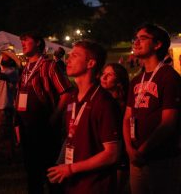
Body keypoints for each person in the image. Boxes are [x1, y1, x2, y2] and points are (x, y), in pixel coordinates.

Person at [47, 40, 121, 194]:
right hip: (74, 183)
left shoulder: (103, 102)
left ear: (90, 63)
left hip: (95, 185)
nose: (68, 60)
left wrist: (71, 169)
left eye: (75, 55)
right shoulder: (73, 97)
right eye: (69, 55)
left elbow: (112, 153)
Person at [123, 24, 181, 194]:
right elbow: (127, 117)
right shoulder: (136, 80)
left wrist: (143, 150)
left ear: (157, 44)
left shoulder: (169, 77)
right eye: (136, 38)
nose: (136, 42)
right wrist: (129, 150)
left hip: (162, 160)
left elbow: (169, 122)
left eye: (143, 38)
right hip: (136, 159)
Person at [16, 32, 73, 194]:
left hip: (44, 129)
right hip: (27, 129)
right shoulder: (26, 68)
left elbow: (66, 93)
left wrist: (53, 118)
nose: (23, 42)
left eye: (26, 39)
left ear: (39, 43)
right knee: (32, 174)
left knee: (50, 173)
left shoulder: (49, 66)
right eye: (22, 40)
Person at [100, 63, 130, 194]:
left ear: (119, 80)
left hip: (121, 155)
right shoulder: (99, 100)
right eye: (103, 74)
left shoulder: (127, 103)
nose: (104, 77)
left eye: (110, 74)